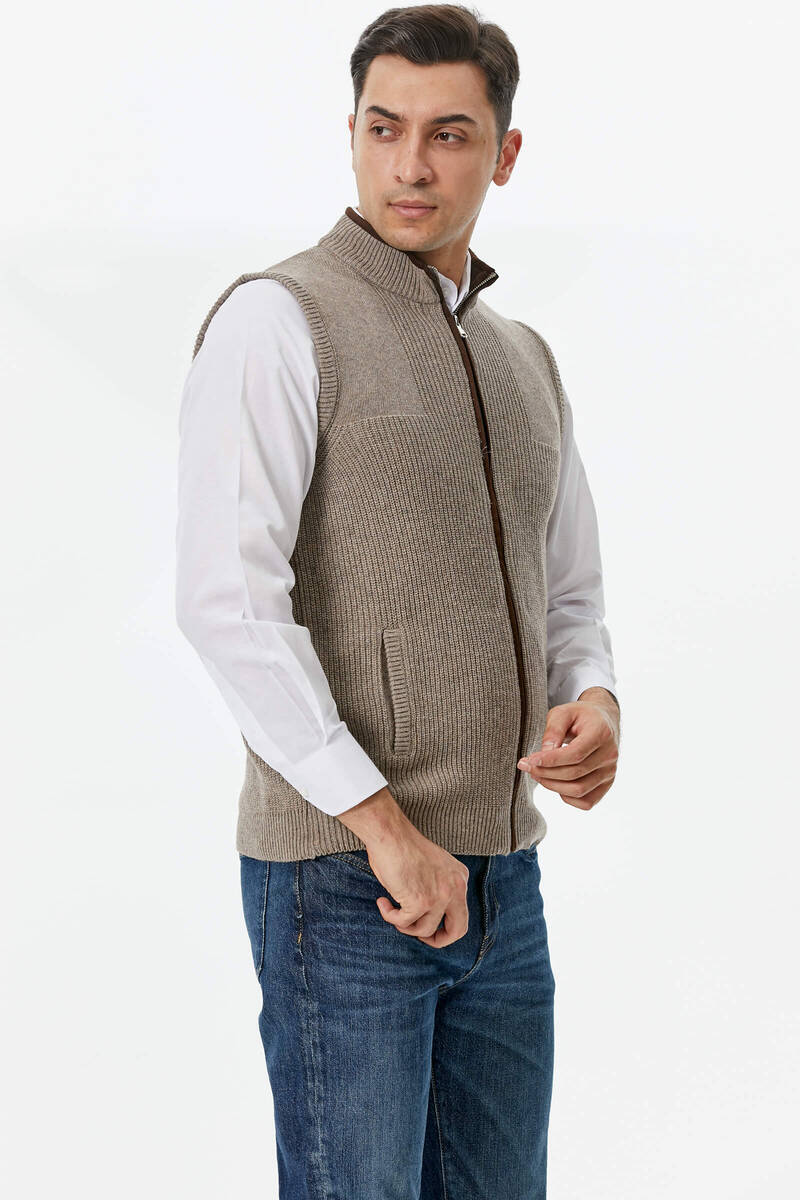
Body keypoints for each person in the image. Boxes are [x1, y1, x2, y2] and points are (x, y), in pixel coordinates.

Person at [175, 5, 620, 1197]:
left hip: (502, 877)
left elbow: (567, 587)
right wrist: (383, 828)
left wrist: (592, 699)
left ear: (503, 154)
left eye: (447, 134)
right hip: (344, 876)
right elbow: (226, 602)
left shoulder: (523, 357)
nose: (409, 165)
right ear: (352, 135)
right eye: (383, 129)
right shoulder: (280, 318)